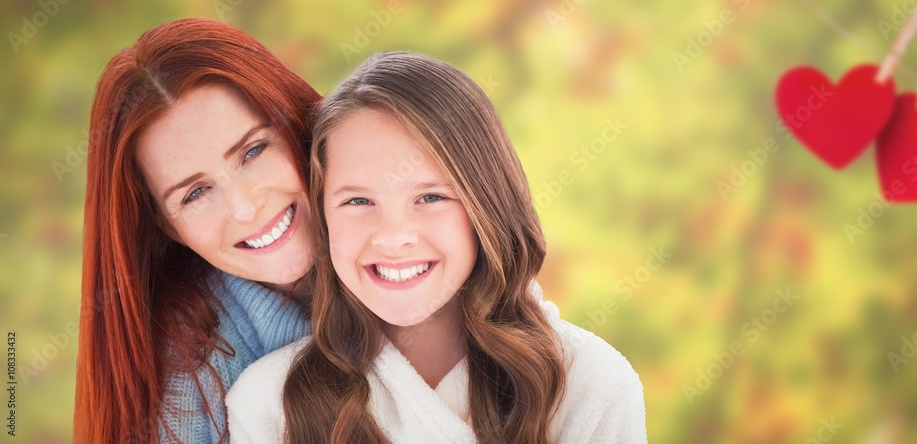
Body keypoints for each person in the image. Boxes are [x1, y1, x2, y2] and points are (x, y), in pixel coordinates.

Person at [227, 51, 646, 443]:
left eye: (430, 198)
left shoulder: (591, 382)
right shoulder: (268, 404)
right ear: (322, 215)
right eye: (357, 201)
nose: (392, 236)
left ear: (486, 204)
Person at [75, 18, 321, 443]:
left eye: (254, 150)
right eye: (195, 193)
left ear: (297, 124)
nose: (245, 208)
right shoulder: (188, 386)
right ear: (166, 227)